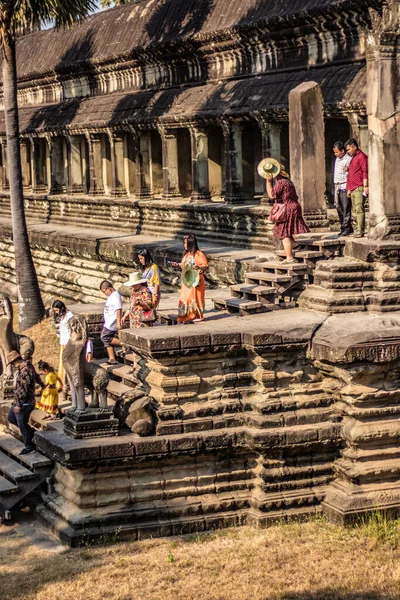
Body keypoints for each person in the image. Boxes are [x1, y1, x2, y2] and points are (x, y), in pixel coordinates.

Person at [266, 164, 310, 262]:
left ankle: (289, 257)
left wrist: (268, 182)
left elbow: (272, 195)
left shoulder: (280, 182)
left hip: (286, 209)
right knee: (287, 231)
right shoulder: (288, 182)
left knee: (284, 232)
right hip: (294, 206)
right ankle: (295, 244)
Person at [7, 350, 43, 455]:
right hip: (18, 401)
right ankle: (32, 434)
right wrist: (42, 384)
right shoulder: (26, 366)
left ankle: (29, 446)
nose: (14, 365)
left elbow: (23, 389)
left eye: (13, 363)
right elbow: (36, 376)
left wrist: (19, 405)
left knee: (21, 423)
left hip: (25, 403)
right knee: (11, 417)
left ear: (17, 360)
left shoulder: (25, 370)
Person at [177, 234, 209, 323]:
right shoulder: (186, 255)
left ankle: (197, 314)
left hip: (196, 280)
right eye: (184, 244)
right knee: (185, 298)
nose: (185, 246)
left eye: (187, 244)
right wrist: (179, 265)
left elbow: (205, 266)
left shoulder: (199, 254)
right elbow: (184, 266)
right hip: (186, 280)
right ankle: (185, 315)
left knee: (196, 298)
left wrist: (198, 267)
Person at [345, 138, 369, 238]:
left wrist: (365, 186)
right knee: (355, 210)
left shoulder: (361, 157)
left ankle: (360, 230)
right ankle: (357, 229)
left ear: (354, 147)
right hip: (353, 187)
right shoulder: (353, 158)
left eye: (349, 149)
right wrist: (349, 188)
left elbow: (365, 171)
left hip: (359, 186)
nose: (348, 151)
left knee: (359, 208)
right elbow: (351, 174)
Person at [100, 280, 123, 365]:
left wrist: (118, 322)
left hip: (112, 322)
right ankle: (112, 358)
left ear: (109, 289)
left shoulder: (115, 296)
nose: (105, 293)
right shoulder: (112, 296)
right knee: (106, 339)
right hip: (108, 321)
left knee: (105, 337)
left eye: (104, 291)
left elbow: (118, 309)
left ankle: (125, 344)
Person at [332, 141, 353, 236]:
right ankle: (343, 226)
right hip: (337, 184)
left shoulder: (348, 159)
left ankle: (346, 228)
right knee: (338, 206)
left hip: (344, 185)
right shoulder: (337, 159)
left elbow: (350, 174)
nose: (335, 154)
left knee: (346, 207)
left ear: (342, 151)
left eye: (337, 152)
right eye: (334, 152)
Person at [52, 300, 73, 388]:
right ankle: (62, 383)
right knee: (62, 363)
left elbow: (72, 329)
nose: (56, 312)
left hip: (68, 342)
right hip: (63, 342)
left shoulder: (70, 316)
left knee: (66, 363)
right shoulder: (63, 316)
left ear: (62, 308)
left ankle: (65, 383)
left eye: (57, 310)